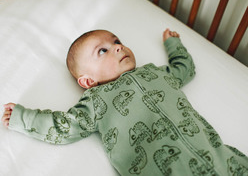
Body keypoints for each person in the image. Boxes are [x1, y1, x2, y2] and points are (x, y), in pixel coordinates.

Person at [2, 29, 248, 175]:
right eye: (103, 51)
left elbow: (185, 69)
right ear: (87, 81)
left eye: (116, 42)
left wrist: (174, 45)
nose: (117, 48)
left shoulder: (155, 73)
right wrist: (24, 117)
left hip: (221, 158)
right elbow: (64, 126)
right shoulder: (96, 102)